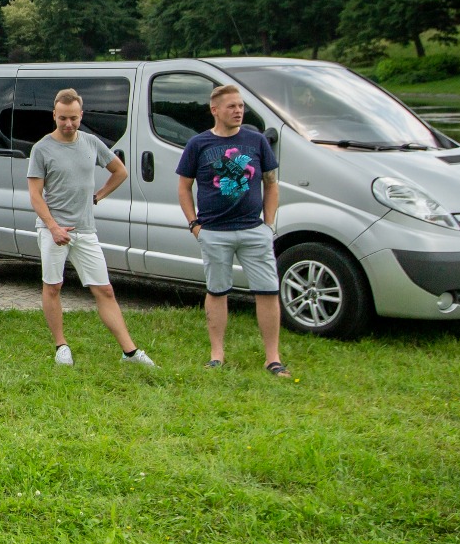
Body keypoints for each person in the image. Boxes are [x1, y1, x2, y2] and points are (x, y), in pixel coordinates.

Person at [26, 89, 156, 369]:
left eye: (73, 118)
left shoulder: (92, 143)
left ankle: (130, 352)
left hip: (85, 229)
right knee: (53, 286)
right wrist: (53, 227)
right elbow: (35, 195)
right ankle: (61, 346)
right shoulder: (42, 149)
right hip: (53, 230)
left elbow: (120, 171)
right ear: (54, 115)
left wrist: (98, 196)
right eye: (63, 118)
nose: (68, 124)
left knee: (105, 290)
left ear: (81, 115)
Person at [175, 83, 287, 375]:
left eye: (240, 106)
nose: (238, 111)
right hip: (214, 231)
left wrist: (268, 225)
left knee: (268, 291)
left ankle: (273, 358)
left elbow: (271, 183)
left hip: (253, 230)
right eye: (231, 106)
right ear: (215, 110)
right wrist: (194, 224)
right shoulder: (198, 144)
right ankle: (217, 355)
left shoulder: (256, 141)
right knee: (217, 291)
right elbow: (184, 187)